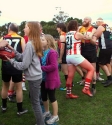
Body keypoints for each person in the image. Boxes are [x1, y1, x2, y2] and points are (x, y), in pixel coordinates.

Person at [6, 21, 45, 125]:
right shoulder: (33, 42)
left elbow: (24, 65)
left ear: (31, 29)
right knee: (35, 101)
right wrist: (12, 50)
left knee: (35, 103)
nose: (24, 29)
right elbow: (24, 57)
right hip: (36, 77)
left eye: (26, 27)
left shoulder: (29, 44)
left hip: (34, 78)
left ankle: (41, 123)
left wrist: (11, 61)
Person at [0, 23, 27, 115]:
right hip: (17, 65)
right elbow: (24, 53)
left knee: (5, 86)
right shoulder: (21, 38)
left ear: (9, 29)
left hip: (5, 64)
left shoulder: (3, 38)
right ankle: (19, 110)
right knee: (19, 88)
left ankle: (3, 106)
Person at [65, 20, 94, 99]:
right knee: (91, 69)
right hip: (75, 55)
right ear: (76, 26)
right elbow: (87, 38)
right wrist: (91, 34)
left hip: (68, 56)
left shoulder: (67, 34)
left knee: (70, 76)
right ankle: (86, 88)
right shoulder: (77, 33)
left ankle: (68, 93)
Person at [40, 34, 60, 124]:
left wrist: (40, 68)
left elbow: (53, 66)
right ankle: (47, 112)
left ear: (48, 42)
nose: (40, 41)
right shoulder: (43, 51)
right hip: (43, 78)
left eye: (42, 40)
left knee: (52, 97)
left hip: (51, 79)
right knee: (44, 96)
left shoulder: (52, 52)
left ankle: (55, 116)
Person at [90, 18, 112, 87]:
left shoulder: (101, 26)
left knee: (100, 63)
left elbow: (96, 35)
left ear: (99, 22)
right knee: (107, 63)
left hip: (104, 47)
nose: (96, 24)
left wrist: (91, 38)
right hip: (109, 46)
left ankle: (109, 78)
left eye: (96, 22)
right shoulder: (108, 27)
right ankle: (109, 78)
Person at [79, 17, 97, 94]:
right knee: (83, 69)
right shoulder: (80, 28)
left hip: (91, 49)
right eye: (83, 19)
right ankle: (87, 83)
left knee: (92, 69)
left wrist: (90, 39)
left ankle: (93, 86)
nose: (84, 20)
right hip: (82, 49)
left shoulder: (93, 29)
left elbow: (94, 43)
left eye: (86, 19)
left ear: (90, 21)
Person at [56, 23, 74, 91]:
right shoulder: (67, 34)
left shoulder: (62, 36)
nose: (56, 29)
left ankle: (68, 86)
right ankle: (71, 84)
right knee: (67, 71)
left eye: (57, 27)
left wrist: (60, 58)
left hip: (64, 55)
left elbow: (62, 48)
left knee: (65, 71)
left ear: (60, 28)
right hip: (69, 53)